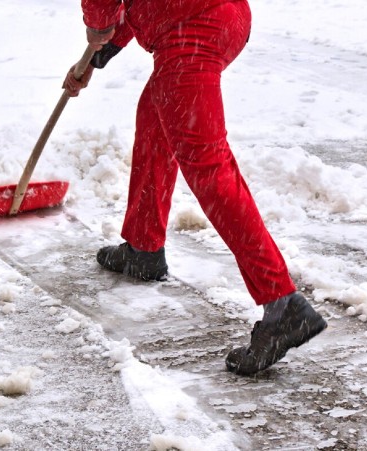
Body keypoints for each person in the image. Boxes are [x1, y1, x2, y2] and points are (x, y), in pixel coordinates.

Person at [63, 0, 327, 376]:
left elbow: (105, 6)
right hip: (208, 16)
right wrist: (98, 54)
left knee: (209, 168)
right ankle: (143, 247)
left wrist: (98, 28)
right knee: (156, 115)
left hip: (192, 25)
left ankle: (283, 305)